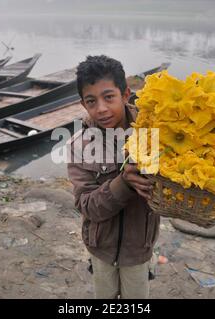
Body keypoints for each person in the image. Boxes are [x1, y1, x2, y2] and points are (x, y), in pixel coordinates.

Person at [67, 55, 160, 299]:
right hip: (101, 248)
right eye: (91, 101)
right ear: (83, 104)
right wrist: (123, 183)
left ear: (126, 94)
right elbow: (87, 206)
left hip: (139, 249)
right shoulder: (80, 145)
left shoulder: (154, 131)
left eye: (109, 97)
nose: (102, 108)